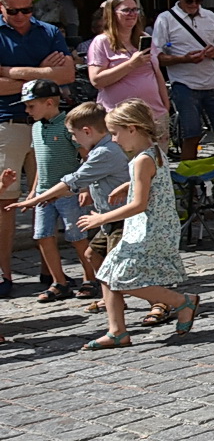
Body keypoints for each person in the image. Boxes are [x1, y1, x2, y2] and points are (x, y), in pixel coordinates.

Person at [73, 98, 201, 350]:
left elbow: (139, 205)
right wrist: (128, 184)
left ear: (132, 128)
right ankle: (117, 331)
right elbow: (152, 182)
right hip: (152, 226)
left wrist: (101, 218)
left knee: (123, 278)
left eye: (115, 133)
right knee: (108, 274)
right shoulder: (152, 152)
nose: (114, 140)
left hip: (147, 228)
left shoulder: (143, 160)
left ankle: (182, 301)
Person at [11, 102, 131, 315]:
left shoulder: (105, 152)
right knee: (93, 254)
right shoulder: (99, 150)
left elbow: (72, 181)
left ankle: (166, 301)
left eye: (73, 135)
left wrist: (34, 200)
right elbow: (75, 185)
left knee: (119, 266)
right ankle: (111, 298)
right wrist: (50, 196)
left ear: (87, 131)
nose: (73, 140)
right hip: (108, 218)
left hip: (122, 217)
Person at [0, 0, 75, 297]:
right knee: (6, 200)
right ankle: (4, 274)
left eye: (26, 10)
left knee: (50, 195)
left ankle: (52, 272)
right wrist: (42, 74)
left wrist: (12, 72)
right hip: (8, 122)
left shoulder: (47, 32)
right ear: (1, 7)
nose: (20, 17)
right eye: (13, 11)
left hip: (47, 124)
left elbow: (67, 75)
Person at [1, 80, 93, 301]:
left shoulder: (68, 126)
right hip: (44, 194)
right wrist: (33, 192)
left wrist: (86, 186)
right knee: (42, 236)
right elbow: (41, 165)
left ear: (50, 102)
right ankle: (58, 281)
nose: (26, 110)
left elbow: (86, 157)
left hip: (68, 193)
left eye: (31, 106)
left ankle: (90, 278)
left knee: (77, 237)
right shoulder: (36, 128)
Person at [153, 0, 214, 162]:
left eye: (199, 1)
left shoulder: (210, 16)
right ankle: (190, 183)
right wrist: (184, 59)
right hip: (184, 84)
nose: (194, 4)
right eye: (190, 0)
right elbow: (157, 57)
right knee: (191, 135)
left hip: (213, 82)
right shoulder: (165, 19)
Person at [86, 0, 170, 120]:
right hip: (121, 119)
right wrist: (131, 64)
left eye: (135, 9)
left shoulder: (145, 38)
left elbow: (157, 73)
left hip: (154, 114)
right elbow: (97, 81)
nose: (132, 14)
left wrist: (165, 106)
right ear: (112, 14)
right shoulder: (101, 42)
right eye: (126, 10)